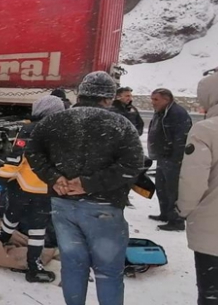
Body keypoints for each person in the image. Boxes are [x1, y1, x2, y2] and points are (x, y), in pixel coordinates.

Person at [25, 71, 144, 305]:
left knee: (73, 266)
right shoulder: (120, 124)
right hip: (104, 208)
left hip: (63, 205)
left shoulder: (54, 120)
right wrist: (88, 183)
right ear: (109, 98)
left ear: (80, 94)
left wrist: (54, 177)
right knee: (108, 271)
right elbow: (133, 164)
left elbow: (33, 151)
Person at [0, 95, 65, 283]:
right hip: (46, 188)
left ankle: (1, 239)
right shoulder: (63, 133)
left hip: (23, 185)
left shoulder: (30, 129)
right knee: (38, 228)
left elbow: (16, 158)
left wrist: (0, 177)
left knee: (12, 214)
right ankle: (34, 266)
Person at [177, 69, 218, 305]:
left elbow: (193, 181)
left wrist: (183, 210)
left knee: (214, 295)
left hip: (215, 232)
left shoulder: (207, 130)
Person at [147, 88, 193, 231]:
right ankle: (165, 214)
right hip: (163, 157)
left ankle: (176, 220)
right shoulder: (161, 113)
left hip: (173, 159)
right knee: (161, 187)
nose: (152, 103)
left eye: (156, 99)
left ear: (166, 100)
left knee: (173, 190)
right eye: (152, 99)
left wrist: (176, 157)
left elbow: (182, 137)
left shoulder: (177, 114)